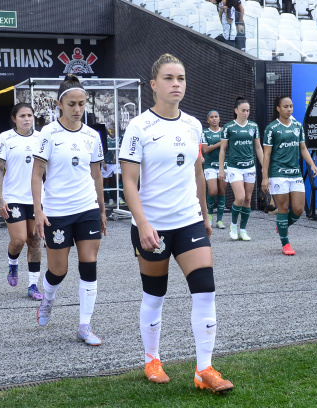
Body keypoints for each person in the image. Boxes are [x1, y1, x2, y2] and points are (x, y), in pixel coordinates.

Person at [119, 54, 234, 393]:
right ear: (154, 85)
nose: (176, 84)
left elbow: (197, 171)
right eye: (169, 78)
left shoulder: (193, 124)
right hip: (152, 225)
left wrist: (204, 213)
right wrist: (142, 224)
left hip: (189, 222)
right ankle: (152, 358)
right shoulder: (140, 127)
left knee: (205, 291)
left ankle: (205, 370)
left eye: (181, 78)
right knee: (155, 295)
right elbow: (128, 182)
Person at [31, 74, 106, 346]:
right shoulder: (48, 134)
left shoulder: (92, 135)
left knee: (89, 264)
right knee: (58, 271)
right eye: (72, 104)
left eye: (82, 104)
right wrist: (38, 210)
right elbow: (37, 172)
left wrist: (101, 209)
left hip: (86, 208)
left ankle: (84, 325)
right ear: (60, 104)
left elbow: (96, 174)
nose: (77, 109)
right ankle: (48, 300)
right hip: (57, 212)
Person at [0, 103, 44, 300]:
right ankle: (12, 263)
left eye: (30, 115)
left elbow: (48, 169)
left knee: (35, 240)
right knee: (19, 240)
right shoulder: (6, 138)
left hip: (36, 198)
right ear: (14, 118)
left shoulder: (41, 138)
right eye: (22, 115)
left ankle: (33, 285)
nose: (27, 119)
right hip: (13, 197)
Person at [262, 96, 317, 256]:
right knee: (283, 208)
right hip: (278, 173)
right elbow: (266, 154)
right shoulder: (271, 128)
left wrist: (312, 164)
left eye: (291, 106)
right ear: (278, 108)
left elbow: (303, 148)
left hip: (295, 173)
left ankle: (282, 226)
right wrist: (265, 177)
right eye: (285, 106)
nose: (289, 109)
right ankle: (285, 243)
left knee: (299, 209)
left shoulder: (297, 126)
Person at [219, 97, 263, 241]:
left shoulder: (253, 126)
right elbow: (223, 149)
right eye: (243, 110)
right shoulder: (228, 127)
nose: (246, 113)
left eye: (248, 110)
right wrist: (221, 169)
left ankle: (243, 229)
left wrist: (264, 167)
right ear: (236, 110)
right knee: (240, 197)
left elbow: (258, 147)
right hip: (234, 168)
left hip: (250, 167)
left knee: (248, 199)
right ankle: (233, 225)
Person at [202, 111, 226, 229]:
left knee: (222, 191)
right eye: (211, 117)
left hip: (224, 165)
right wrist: (220, 143)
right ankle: (210, 215)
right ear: (208, 120)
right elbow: (205, 149)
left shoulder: (225, 131)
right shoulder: (205, 133)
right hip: (210, 165)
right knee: (212, 191)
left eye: (216, 116)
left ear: (219, 119)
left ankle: (220, 220)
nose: (214, 119)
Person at [102, 130, 118, 206]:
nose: (112, 131)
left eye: (113, 128)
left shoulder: (118, 138)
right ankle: (110, 199)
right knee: (106, 181)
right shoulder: (105, 138)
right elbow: (100, 151)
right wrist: (103, 162)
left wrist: (115, 156)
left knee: (119, 177)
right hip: (107, 163)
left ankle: (120, 197)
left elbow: (118, 148)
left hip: (115, 163)